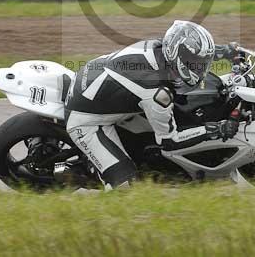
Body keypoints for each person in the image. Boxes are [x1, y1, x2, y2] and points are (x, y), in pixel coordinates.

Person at [64, 20, 242, 189]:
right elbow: (169, 141)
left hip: (91, 83)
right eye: (196, 63)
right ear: (178, 57)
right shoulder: (155, 91)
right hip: (86, 121)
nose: (201, 67)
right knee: (126, 188)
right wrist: (216, 129)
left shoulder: (161, 47)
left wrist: (225, 51)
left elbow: (190, 52)